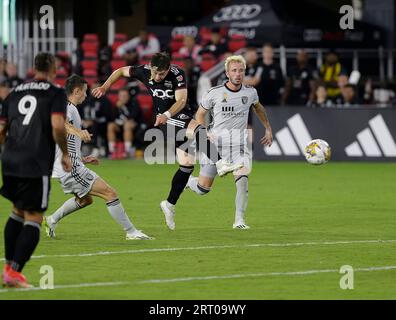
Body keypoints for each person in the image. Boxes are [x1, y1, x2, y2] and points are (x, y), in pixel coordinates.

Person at [92, 52, 241, 230]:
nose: (156, 77)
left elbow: (181, 100)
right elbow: (120, 71)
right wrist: (105, 86)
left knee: (187, 165)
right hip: (166, 121)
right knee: (199, 129)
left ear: (168, 69)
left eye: (161, 74)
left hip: (175, 114)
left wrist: (167, 114)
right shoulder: (145, 71)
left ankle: (169, 204)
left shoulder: (178, 74)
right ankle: (221, 163)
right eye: (154, 73)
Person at [44, 75, 152, 240]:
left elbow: (67, 142)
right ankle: (131, 232)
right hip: (70, 167)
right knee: (110, 193)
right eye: (85, 92)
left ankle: (51, 220)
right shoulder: (67, 107)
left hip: (71, 163)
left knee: (85, 199)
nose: (86, 96)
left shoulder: (70, 108)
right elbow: (61, 124)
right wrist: (79, 132)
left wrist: (82, 158)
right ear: (77, 91)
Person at [0, 52, 71, 288]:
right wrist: (66, 153)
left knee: (17, 211)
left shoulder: (14, 92)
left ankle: (8, 267)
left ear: (34, 67)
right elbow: (58, 125)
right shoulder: (55, 92)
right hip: (35, 161)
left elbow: (2, 127)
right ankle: (14, 272)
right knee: (34, 218)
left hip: (10, 159)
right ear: (52, 69)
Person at [186, 55, 273, 229]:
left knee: (242, 180)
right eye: (234, 70)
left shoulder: (250, 92)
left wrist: (268, 128)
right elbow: (200, 114)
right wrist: (204, 133)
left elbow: (259, 108)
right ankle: (188, 182)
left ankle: (239, 220)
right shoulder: (214, 93)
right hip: (215, 145)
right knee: (203, 189)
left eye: (241, 70)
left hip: (238, 145)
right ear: (227, 73)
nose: (238, 74)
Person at [107, 88, 143, 158]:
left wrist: (123, 108)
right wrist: (116, 108)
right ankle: (112, 151)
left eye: (125, 96)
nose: (123, 98)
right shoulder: (116, 105)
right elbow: (111, 118)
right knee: (110, 126)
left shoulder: (134, 102)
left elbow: (133, 117)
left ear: (128, 96)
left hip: (134, 125)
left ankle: (127, 151)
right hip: (120, 125)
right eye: (121, 96)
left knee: (127, 125)